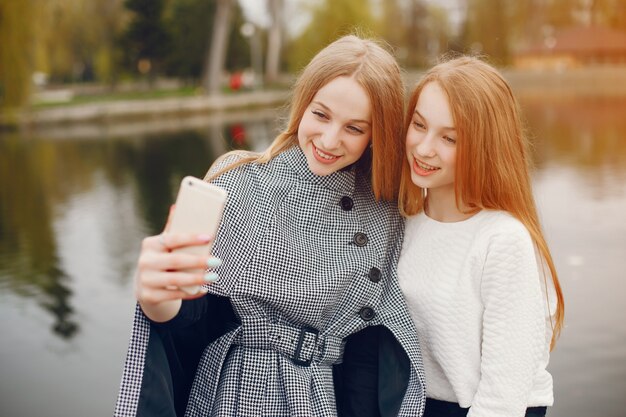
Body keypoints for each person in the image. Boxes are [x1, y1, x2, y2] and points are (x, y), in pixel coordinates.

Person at [114, 35, 426, 417]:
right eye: (321, 115)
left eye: (355, 128)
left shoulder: (384, 211)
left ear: (379, 133)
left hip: (319, 398)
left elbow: (368, 353)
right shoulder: (240, 181)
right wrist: (156, 297)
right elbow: (195, 321)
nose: (329, 140)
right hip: (236, 390)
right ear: (303, 103)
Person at [396, 56, 565, 417]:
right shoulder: (404, 221)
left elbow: (504, 396)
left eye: (449, 138)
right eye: (419, 125)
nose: (424, 148)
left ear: (483, 145)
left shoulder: (503, 241)